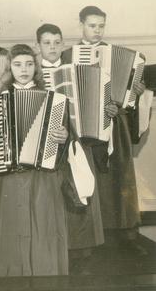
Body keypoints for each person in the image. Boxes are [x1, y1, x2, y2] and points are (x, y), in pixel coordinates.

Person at [62, 6, 148, 256]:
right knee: (89, 177)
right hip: (83, 125)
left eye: (101, 26)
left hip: (114, 123)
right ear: (81, 25)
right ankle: (92, 237)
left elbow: (128, 100)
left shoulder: (119, 55)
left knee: (119, 175)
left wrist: (134, 92)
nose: (97, 31)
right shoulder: (69, 55)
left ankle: (125, 234)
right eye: (92, 25)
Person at [0, 44, 70, 276]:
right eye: (18, 64)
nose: (24, 69)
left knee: (43, 230)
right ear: (10, 68)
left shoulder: (55, 100)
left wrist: (64, 136)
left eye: (29, 64)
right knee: (12, 230)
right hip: (9, 177)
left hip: (43, 177)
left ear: (36, 68)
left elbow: (68, 138)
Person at [36, 23, 104, 273]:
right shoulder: (34, 73)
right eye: (46, 43)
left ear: (63, 44)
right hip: (48, 143)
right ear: (38, 45)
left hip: (75, 141)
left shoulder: (75, 70)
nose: (52, 47)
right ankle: (52, 250)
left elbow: (92, 101)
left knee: (78, 192)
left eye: (56, 42)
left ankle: (81, 253)